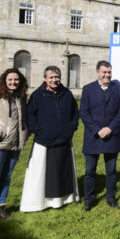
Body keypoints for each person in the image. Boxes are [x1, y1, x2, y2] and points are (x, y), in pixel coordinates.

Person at [20, 66, 80, 212]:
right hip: (44, 141)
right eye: (51, 77)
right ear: (45, 78)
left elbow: (74, 113)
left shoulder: (67, 94)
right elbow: (30, 116)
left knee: (62, 172)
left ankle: (63, 199)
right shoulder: (37, 95)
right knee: (41, 175)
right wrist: (40, 132)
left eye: (57, 77)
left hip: (64, 140)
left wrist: (70, 129)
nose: (54, 80)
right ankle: (40, 203)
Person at [80, 61, 120, 211]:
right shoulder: (88, 89)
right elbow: (84, 113)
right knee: (89, 171)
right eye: (104, 72)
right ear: (97, 73)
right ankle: (89, 200)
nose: (107, 75)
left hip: (111, 136)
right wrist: (97, 130)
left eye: (109, 72)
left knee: (111, 171)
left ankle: (111, 198)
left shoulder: (118, 90)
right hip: (93, 136)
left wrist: (110, 128)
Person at [0, 69, 29, 222]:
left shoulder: (20, 96)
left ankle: (0, 207)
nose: (13, 82)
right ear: (4, 80)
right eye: (10, 79)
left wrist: (24, 134)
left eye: (16, 79)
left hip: (14, 145)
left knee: (7, 177)